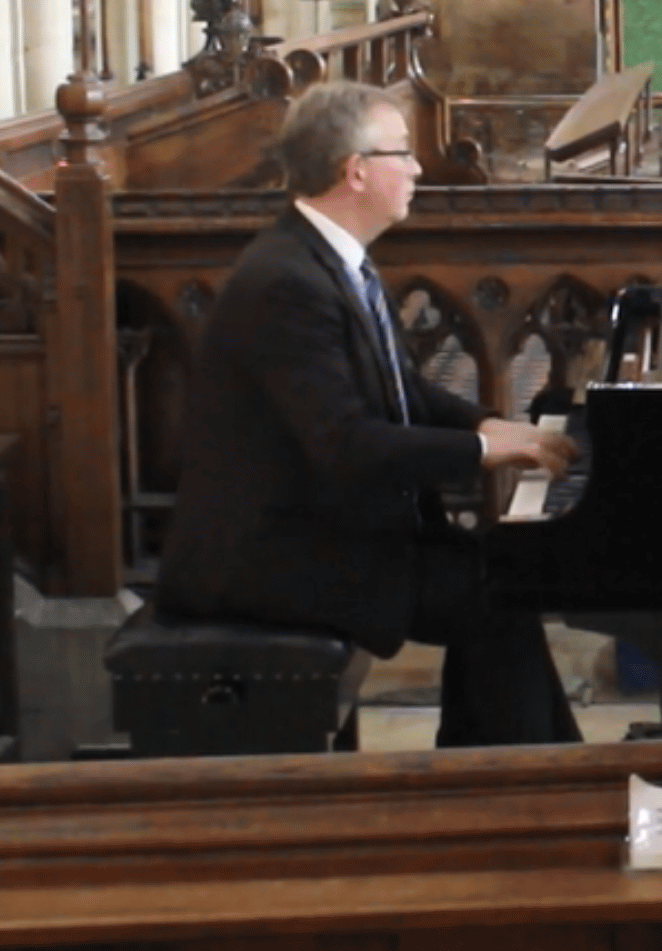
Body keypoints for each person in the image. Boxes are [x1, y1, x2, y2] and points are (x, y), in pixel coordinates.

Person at [156, 82, 583, 748]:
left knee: (500, 579)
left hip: (315, 528)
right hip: (264, 556)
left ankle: (513, 781)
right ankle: (512, 790)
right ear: (355, 171)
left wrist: (483, 425)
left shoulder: (328, 257)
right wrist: (481, 455)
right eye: (402, 154)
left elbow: (400, 390)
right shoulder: (285, 284)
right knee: (494, 594)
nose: (416, 169)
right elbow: (348, 446)